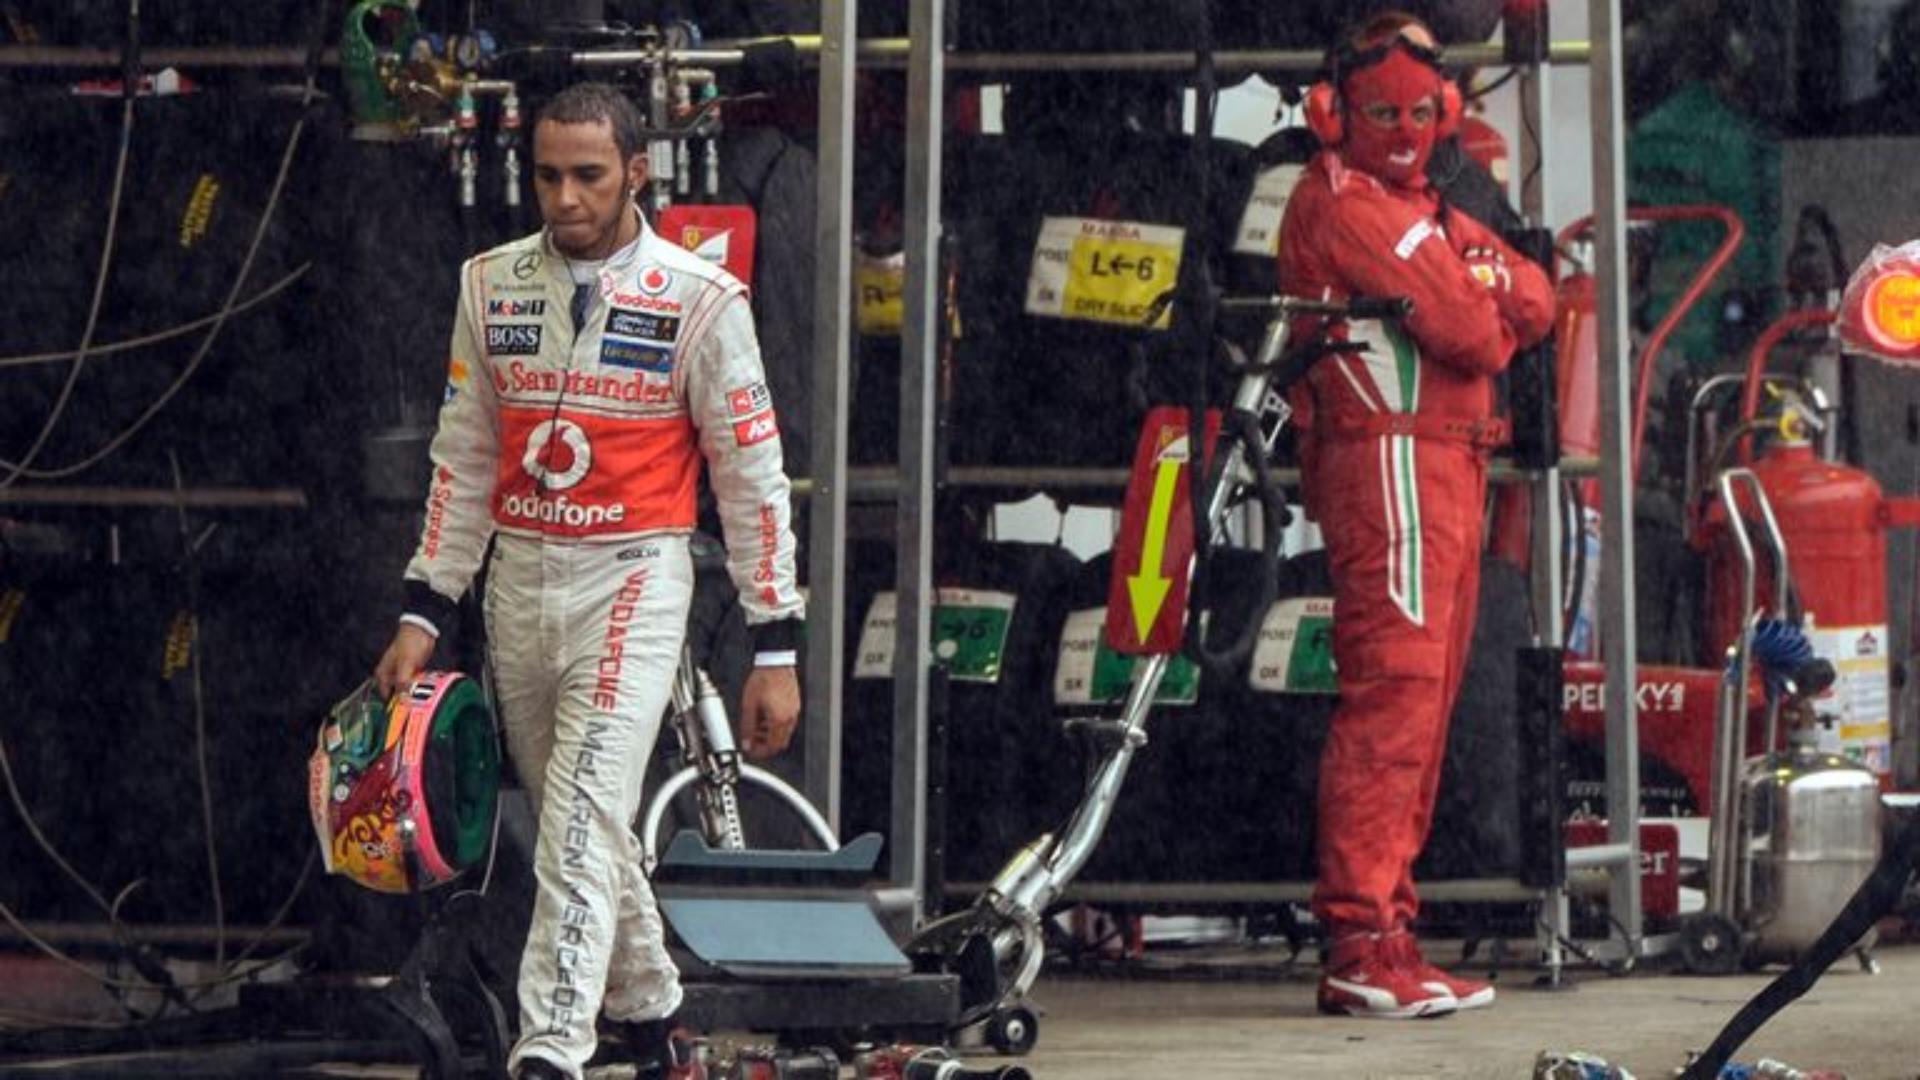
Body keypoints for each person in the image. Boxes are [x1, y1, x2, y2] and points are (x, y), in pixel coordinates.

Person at [372, 81, 805, 1079]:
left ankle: (552, 1049)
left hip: (637, 575)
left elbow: (753, 477)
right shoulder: (489, 284)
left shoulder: (701, 299)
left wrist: (774, 643)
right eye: (548, 175)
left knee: (574, 817)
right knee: (591, 825)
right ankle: (654, 1024)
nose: (565, 197)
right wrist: (423, 610)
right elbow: (464, 460)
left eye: (589, 176)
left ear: (638, 172)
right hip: (519, 578)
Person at [1278, 13, 1555, 1019]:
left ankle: (1391, 938)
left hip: (1442, 467)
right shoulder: (1352, 204)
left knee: (1427, 709)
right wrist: (1484, 291)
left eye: (1418, 110)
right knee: (1393, 703)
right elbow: (1481, 329)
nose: (1401, 127)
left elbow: (1537, 292)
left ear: (1445, 112)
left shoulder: (1417, 206)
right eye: (1380, 110)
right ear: (1334, 112)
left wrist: (1487, 288)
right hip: (1387, 462)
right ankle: (1360, 940)